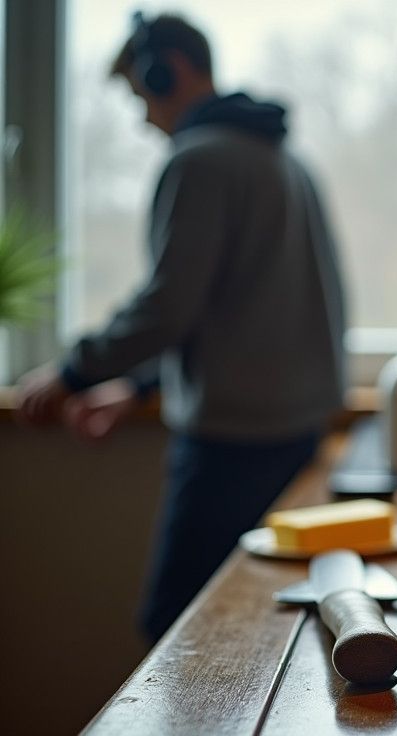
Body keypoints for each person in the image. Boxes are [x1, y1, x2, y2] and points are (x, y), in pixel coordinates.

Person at [16, 12, 346, 641]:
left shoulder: (199, 160)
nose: (143, 117)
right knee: (261, 633)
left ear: (171, 70)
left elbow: (169, 305)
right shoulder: (286, 159)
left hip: (228, 449)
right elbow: (234, 309)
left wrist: (70, 373)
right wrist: (137, 388)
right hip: (294, 437)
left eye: (142, 94)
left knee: (177, 636)